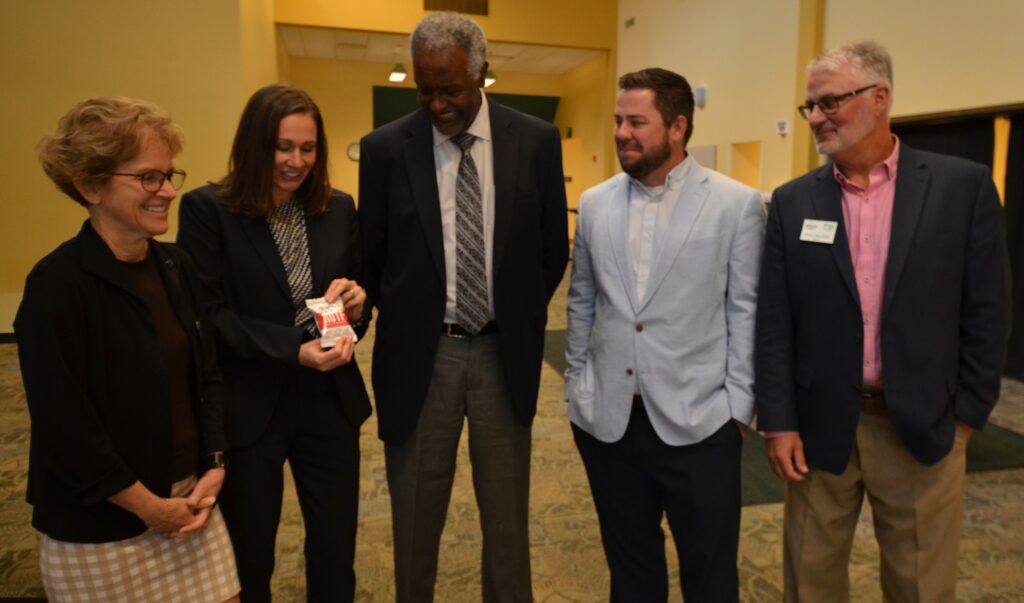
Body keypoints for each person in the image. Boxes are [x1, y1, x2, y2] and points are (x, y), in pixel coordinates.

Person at [755, 41, 1010, 602]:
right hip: (819, 430)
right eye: (810, 107)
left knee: (921, 586)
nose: (816, 119)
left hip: (923, 427)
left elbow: (987, 312)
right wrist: (778, 421)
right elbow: (775, 322)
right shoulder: (795, 202)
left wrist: (966, 416)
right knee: (809, 581)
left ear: (879, 98)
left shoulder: (961, 188)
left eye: (829, 103)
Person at [358, 11, 568, 602]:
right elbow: (372, 259)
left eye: (450, 88)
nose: (436, 103)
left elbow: (552, 250)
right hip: (424, 361)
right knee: (416, 521)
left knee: (507, 522)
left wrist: (517, 315)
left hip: (505, 354)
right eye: (424, 88)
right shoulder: (384, 151)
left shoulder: (534, 140)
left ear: (482, 74)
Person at [15, 97, 240, 602]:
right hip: (101, 530)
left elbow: (207, 378)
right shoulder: (56, 286)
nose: (166, 192)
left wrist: (216, 463)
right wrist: (148, 507)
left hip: (190, 509)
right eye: (147, 178)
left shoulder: (176, 267)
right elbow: (66, 427)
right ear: (90, 185)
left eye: (168, 175)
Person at [565, 68, 764, 602]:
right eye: (617, 121)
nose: (621, 133)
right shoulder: (595, 202)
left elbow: (745, 309)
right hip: (609, 422)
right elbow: (582, 301)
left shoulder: (734, 204)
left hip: (701, 423)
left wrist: (738, 409)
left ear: (677, 128)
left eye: (636, 121)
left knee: (710, 572)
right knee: (631, 571)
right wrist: (577, 387)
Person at [177, 84, 371, 602]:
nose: (296, 161)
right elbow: (207, 317)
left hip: (329, 402)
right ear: (254, 144)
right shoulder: (207, 210)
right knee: (251, 553)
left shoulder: (339, 208)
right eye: (283, 147)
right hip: (251, 406)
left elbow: (354, 308)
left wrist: (354, 308)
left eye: (308, 149)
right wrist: (293, 350)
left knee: (334, 549)